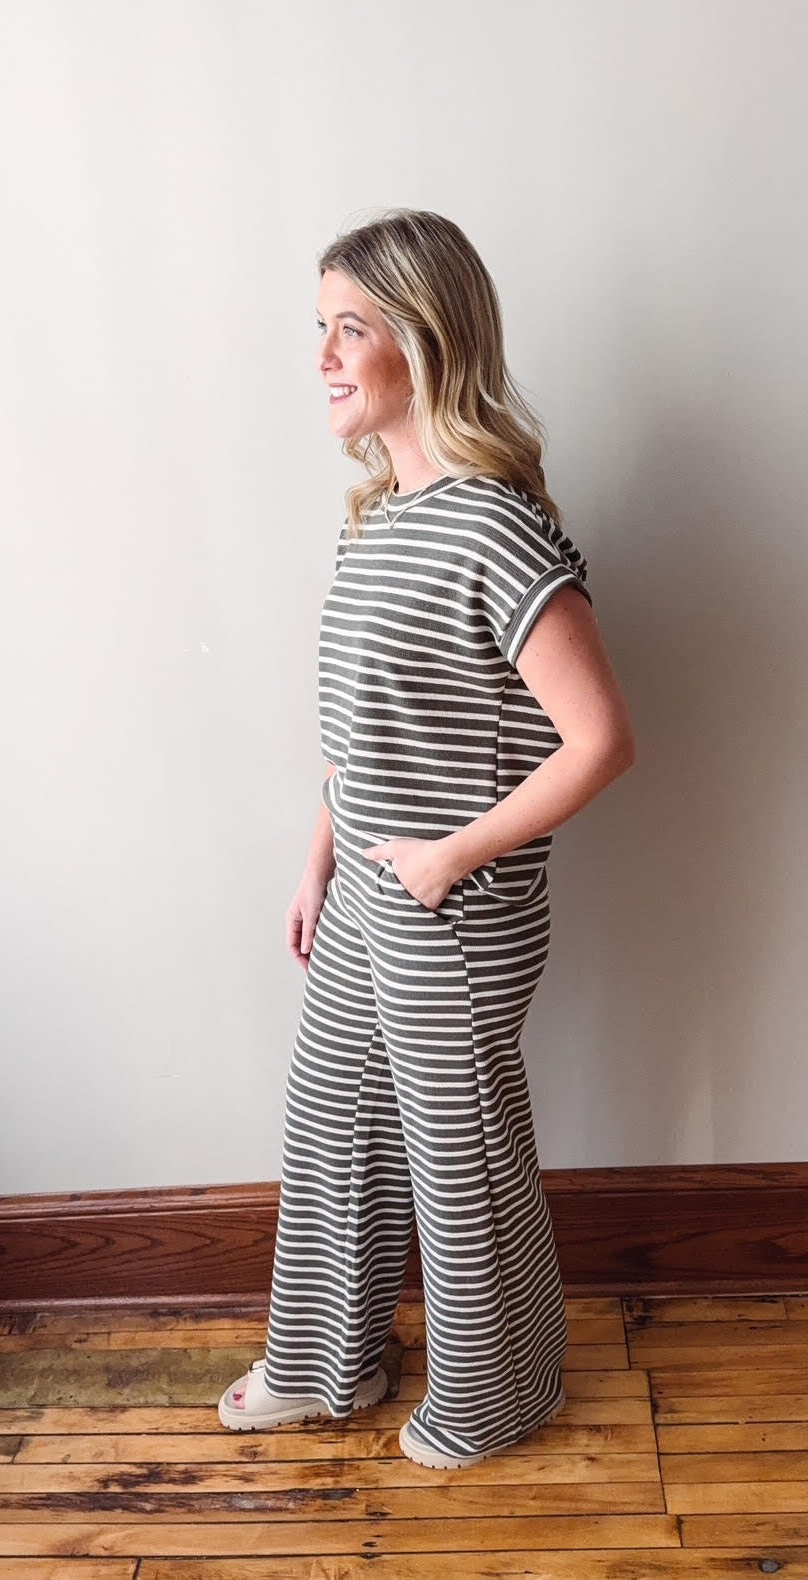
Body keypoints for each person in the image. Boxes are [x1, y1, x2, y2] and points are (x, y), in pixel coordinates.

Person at [218, 208, 635, 1469]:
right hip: (367, 890)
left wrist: (450, 857)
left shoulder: (498, 528)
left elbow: (600, 737)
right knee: (333, 1114)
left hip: (456, 909)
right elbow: (360, 729)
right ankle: (324, 1361)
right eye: (321, 328)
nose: (325, 356)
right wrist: (318, 859)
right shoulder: (375, 523)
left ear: (426, 337)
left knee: (461, 1151)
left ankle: (498, 1390)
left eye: (352, 327)